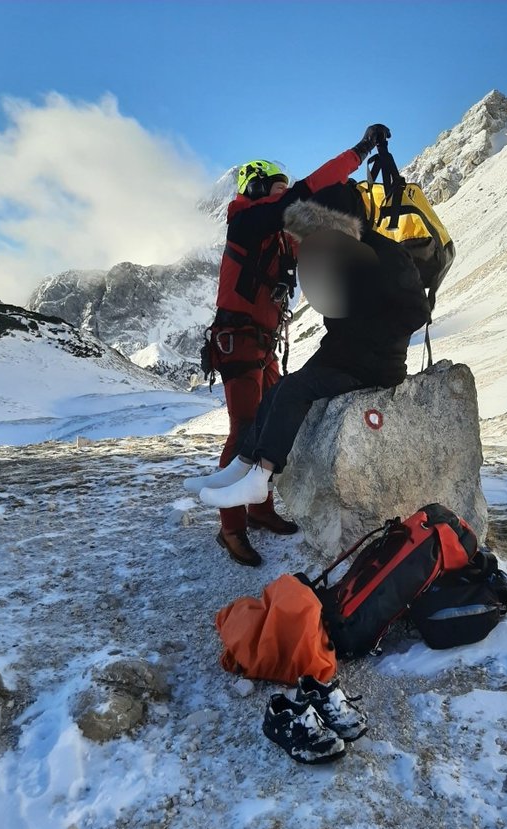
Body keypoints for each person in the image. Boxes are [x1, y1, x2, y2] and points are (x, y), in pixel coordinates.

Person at [204, 125, 393, 567]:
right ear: (256, 188)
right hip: (239, 342)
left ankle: (259, 509)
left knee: (266, 420)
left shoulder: (275, 235)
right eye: (276, 188)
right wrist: (358, 152)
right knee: (244, 428)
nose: (284, 196)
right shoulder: (247, 221)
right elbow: (304, 194)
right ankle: (230, 528)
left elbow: (312, 226)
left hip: (261, 344)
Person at [198, 172, 431, 516]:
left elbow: (415, 311)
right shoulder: (345, 254)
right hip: (345, 356)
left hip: (375, 365)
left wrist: (370, 328)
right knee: (277, 391)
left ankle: (260, 475)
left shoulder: (387, 254)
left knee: (292, 391)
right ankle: (243, 462)